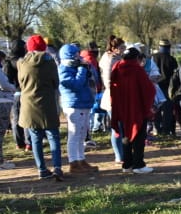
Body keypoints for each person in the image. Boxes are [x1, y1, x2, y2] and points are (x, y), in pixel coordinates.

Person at [18, 34, 64, 181]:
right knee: (53, 136)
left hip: (29, 105)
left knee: (35, 138)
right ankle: (57, 167)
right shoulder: (49, 63)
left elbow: (21, 82)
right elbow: (55, 82)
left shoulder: (22, 63)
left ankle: (42, 169)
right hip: (47, 103)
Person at [110, 46, 156, 174]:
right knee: (139, 136)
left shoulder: (117, 68)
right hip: (137, 108)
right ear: (136, 58)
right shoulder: (137, 70)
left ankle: (127, 164)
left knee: (126, 136)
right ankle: (138, 164)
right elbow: (148, 89)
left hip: (121, 107)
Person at [58, 43, 98, 174]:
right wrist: (81, 70)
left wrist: (88, 68)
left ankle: (81, 159)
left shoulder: (79, 66)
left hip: (84, 103)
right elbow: (75, 85)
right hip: (73, 104)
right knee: (74, 135)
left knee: (82, 135)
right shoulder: (63, 69)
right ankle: (73, 162)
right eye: (76, 55)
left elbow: (94, 79)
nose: (78, 57)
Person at [98, 35, 128, 165]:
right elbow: (109, 80)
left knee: (120, 127)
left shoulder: (114, 58)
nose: (123, 50)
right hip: (113, 97)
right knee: (117, 128)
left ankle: (121, 154)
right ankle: (118, 155)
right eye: (121, 48)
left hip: (118, 96)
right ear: (114, 48)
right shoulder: (110, 60)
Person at [2, 39, 27, 150]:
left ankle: (19, 142)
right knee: (26, 118)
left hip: (14, 93)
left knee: (16, 118)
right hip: (24, 91)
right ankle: (28, 142)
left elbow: (6, 79)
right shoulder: (24, 61)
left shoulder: (7, 61)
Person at [153, 39, 179, 136]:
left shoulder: (153, 58)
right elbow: (175, 75)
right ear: (169, 47)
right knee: (167, 110)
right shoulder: (172, 59)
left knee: (156, 109)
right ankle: (166, 130)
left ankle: (157, 129)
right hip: (168, 87)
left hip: (155, 86)